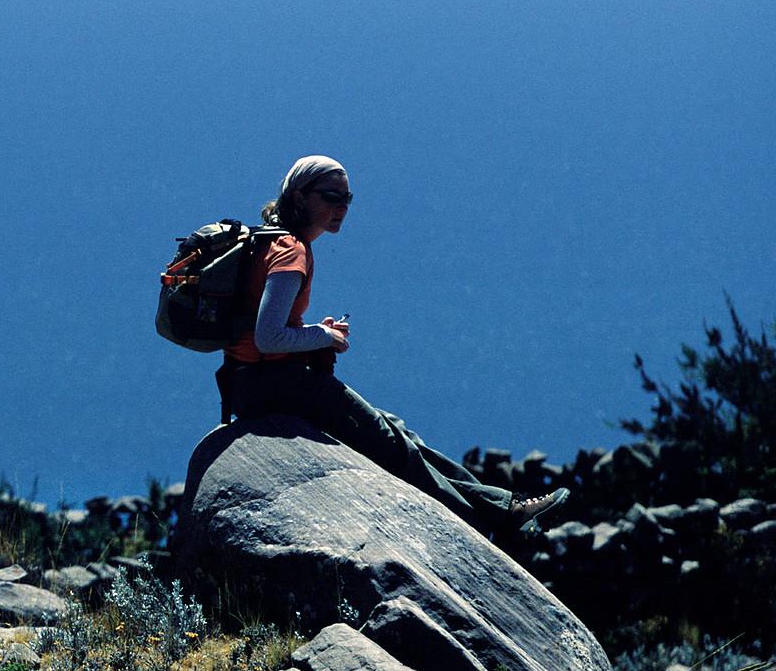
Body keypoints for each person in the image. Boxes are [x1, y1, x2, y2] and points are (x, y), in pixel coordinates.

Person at [214, 155, 568, 533]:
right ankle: (493, 520)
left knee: (396, 430)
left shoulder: (267, 243)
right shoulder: (290, 251)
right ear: (299, 196)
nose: (342, 208)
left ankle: (502, 506)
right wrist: (325, 336)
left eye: (348, 199)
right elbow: (269, 339)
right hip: (274, 384)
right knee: (389, 442)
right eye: (332, 197)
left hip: (250, 383)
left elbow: (264, 330)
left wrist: (314, 332)